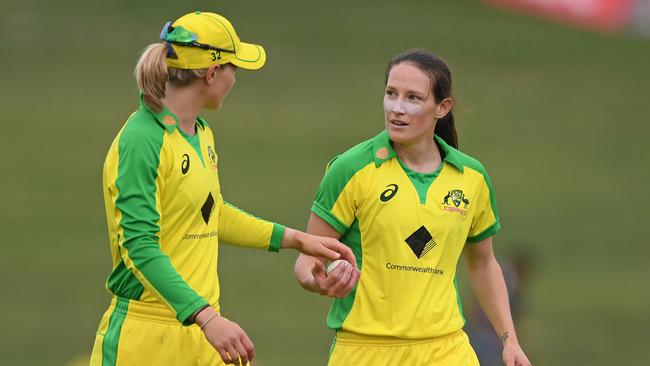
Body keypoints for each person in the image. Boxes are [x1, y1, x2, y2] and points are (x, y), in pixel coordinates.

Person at [89, 11, 356, 366]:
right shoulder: (142, 139)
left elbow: (210, 211)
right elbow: (139, 247)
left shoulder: (199, 133)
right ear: (212, 73)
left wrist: (296, 239)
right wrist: (207, 317)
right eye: (234, 68)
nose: (235, 79)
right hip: (147, 337)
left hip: (203, 331)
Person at [294, 49, 531, 366]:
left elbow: (483, 264)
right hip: (365, 351)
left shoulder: (472, 178)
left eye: (413, 98)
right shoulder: (350, 169)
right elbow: (307, 258)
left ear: (442, 108)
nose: (397, 108)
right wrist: (318, 281)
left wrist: (509, 341)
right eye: (391, 94)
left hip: (446, 351)